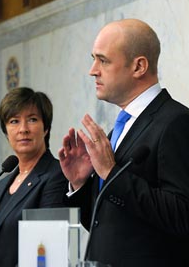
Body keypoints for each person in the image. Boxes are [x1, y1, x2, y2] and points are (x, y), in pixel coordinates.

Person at [58, 18, 189, 267]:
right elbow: (107, 222)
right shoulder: (120, 129)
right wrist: (80, 184)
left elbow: (182, 216)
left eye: (103, 60)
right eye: (92, 59)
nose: (92, 70)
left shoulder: (175, 122)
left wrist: (110, 173)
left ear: (138, 66)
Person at [0, 87, 68, 267]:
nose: (23, 129)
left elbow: (47, 250)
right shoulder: (2, 183)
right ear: (6, 130)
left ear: (45, 128)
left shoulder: (56, 175)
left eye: (32, 119)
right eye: (14, 121)